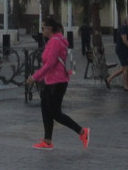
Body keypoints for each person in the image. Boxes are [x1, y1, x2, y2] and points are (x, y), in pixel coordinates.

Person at [25, 16, 89, 151]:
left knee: (55, 113)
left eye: (43, 28)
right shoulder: (58, 40)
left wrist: (35, 77)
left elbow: (51, 63)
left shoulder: (54, 42)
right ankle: (47, 140)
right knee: (45, 107)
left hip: (56, 81)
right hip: (52, 81)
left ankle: (82, 132)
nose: (42, 31)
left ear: (49, 29)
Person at [106, 14, 128, 91]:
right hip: (121, 50)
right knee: (125, 67)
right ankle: (125, 86)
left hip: (124, 50)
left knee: (124, 68)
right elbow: (124, 40)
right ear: (126, 20)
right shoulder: (123, 28)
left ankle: (109, 79)